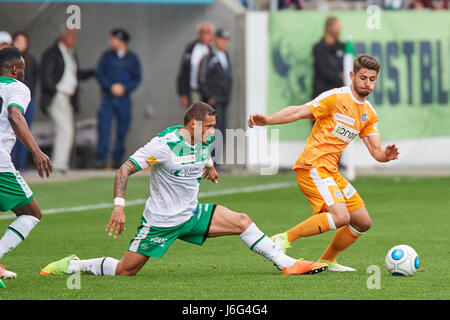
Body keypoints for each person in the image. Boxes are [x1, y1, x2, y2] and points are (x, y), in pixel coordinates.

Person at [39, 102, 327, 277]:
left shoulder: (203, 138)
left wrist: (210, 166)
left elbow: (203, 152)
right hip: (161, 222)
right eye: (210, 126)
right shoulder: (164, 145)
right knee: (126, 270)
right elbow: (124, 168)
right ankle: (75, 266)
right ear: (193, 123)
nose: (214, 131)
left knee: (242, 221)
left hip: (191, 215)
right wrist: (118, 205)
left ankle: (287, 263)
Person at [248, 54, 400, 271]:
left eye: (372, 79)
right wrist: (270, 120)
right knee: (340, 216)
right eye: (363, 78)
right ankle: (281, 239)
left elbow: (376, 151)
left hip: (331, 171)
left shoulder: (369, 114)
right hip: (313, 166)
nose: (367, 83)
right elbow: (300, 111)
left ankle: (328, 260)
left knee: (362, 221)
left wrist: (387, 154)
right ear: (352, 75)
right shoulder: (336, 98)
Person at [0, 47, 52, 279]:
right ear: (14, 69)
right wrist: (36, 150)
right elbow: (15, 115)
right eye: (22, 68)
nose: (24, 73)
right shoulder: (17, 88)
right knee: (31, 213)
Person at [40, 27, 94, 173]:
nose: (73, 38)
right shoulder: (52, 53)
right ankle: (58, 165)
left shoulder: (71, 54)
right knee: (65, 129)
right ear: (62, 36)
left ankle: (59, 163)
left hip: (67, 98)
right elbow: (46, 75)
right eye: (70, 35)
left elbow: (75, 74)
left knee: (66, 130)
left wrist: (93, 72)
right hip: (56, 96)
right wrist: (55, 91)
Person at [95, 28, 142, 169]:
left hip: (124, 99)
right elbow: (99, 74)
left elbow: (137, 78)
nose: (110, 41)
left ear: (121, 41)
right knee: (104, 128)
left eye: (113, 39)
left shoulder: (132, 58)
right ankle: (101, 158)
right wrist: (111, 86)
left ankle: (117, 158)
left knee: (123, 128)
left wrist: (125, 87)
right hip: (108, 97)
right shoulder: (106, 57)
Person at [198, 29, 232, 168]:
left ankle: (216, 162)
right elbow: (201, 78)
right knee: (211, 131)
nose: (225, 43)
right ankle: (208, 161)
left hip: (223, 100)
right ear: (216, 40)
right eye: (222, 40)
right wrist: (209, 97)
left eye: (226, 41)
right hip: (213, 102)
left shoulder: (225, 55)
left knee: (220, 131)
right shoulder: (209, 57)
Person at [10, 31, 38, 171]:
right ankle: (11, 164)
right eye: (18, 41)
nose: (21, 44)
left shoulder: (31, 59)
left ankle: (21, 165)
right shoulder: (7, 62)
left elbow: (34, 80)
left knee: (25, 133)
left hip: (27, 102)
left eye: (23, 41)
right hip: (12, 102)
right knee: (11, 133)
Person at [176, 22, 214, 108]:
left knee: (210, 118)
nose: (204, 35)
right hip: (195, 90)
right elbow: (183, 72)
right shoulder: (191, 48)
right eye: (202, 32)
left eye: (207, 32)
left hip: (210, 93)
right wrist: (182, 93)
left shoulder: (215, 50)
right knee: (197, 118)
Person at [312, 17, 345, 100]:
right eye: (337, 25)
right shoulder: (318, 48)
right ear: (329, 27)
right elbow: (323, 70)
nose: (340, 28)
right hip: (322, 95)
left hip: (338, 95)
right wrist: (339, 76)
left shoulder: (342, 47)